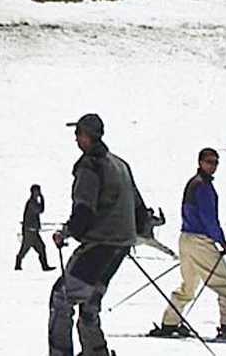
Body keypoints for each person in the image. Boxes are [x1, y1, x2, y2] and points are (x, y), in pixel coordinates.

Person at [49, 113, 151, 356]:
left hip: (98, 246)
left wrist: (66, 233)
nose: (76, 138)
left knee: (61, 298)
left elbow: (84, 209)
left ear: (87, 136)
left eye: (78, 134)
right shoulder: (120, 164)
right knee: (89, 303)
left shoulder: (89, 165)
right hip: (120, 245)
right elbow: (140, 210)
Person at [150, 148, 226, 341]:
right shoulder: (204, 186)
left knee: (188, 286)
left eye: (216, 162)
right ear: (200, 162)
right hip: (201, 240)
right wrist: (221, 241)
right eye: (209, 162)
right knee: (225, 286)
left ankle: (170, 323)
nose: (213, 166)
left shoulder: (193, 183)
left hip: (186, 239)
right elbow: (209, 218)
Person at [17, 184, 54, 270]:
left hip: (33, 231)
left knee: (41, 248)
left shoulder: (34, 202)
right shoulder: (31, 203)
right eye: (37, 191)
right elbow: (40, 210)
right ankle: (18, 265)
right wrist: (42, 199)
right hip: (29, 231)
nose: (38, 193)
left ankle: (44, 266)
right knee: (25, 249)